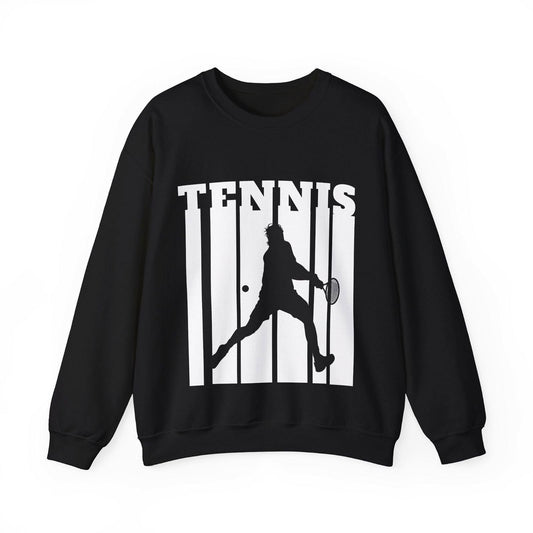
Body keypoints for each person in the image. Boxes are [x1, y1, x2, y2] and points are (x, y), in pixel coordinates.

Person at [212, 223, 335, 372]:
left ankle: (223, 350)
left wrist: (311, 277)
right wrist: (311, 277)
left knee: (250, 328)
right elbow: (293, 269)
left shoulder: (273, 251)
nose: (281, 237)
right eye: (279, 235)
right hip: (280, 296)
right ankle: (318, 359)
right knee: (305, 318)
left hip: (272, 297)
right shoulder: (280, 249)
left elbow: (293, 268)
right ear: (274, 238)